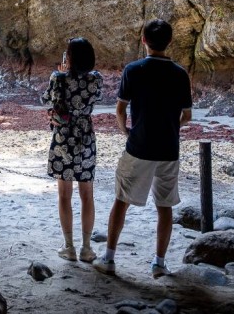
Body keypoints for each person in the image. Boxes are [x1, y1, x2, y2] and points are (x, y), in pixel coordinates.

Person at [93, 19, 192, 278]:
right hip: (169, 149)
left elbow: (120, 108)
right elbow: (187, 115)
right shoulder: (180, 74)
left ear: (143, 40)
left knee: (121, 201)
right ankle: (159, 263)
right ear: (170, 42)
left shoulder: (133, 70)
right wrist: (172, 128)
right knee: (165, 206)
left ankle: (109, 258)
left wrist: (126, 129)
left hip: (139, 147)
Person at [42, 37, 103, 262]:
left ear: (69, 57)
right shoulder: (96, 80)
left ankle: (69, 247)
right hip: (85, 137)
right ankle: (87, 248)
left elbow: (45, 98)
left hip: (63, 137)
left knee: (64, 195)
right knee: (87, 195)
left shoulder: (58, 78)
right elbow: (96, 97)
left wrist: (61, 74)